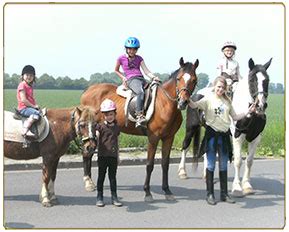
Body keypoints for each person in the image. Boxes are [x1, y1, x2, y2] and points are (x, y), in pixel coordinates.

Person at [188, 76, 255, 206]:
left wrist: (248, 111)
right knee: (211, 165)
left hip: (224, 136)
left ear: (225, 89)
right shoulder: (208, 99)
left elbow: (235, 117)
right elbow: (194, 105)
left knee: (224, 165)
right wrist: (187, 98)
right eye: (218, 87)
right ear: (215, 86)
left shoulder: (227, 101)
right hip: (212, 135)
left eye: (223, 88)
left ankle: (224, 194)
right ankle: (210, 194)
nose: (220, 89)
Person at [115, 36, 159, 128]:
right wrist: (123, 77)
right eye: (130, 49)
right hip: (131, 80)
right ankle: (139, 115)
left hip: (141, 79)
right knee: (140, 92)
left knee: (155, 90)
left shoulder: (139, 58)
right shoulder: (121, 58)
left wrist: (154, 77)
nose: (132, 51)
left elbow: (146, 71)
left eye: (134, 49)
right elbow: (116, 70)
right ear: (126, 49)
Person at [95, 99, 122, 207]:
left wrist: (118, 156)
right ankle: (99, 197)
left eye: (111, 114)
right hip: (102, 156)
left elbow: (117, 142)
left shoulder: (116, 127)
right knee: (101, 177)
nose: (109, 117)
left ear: (114, 114)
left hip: (113, 157)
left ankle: (114, 197)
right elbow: (96, 136)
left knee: (112, 177)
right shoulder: (100, 127)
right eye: (106, 115)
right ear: (103, 116)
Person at [17, 65, 41, 138]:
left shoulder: (30, 86)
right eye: (27, 75)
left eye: (31, 75)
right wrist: (34, 107)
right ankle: (25, 129)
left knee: (40, 112)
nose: (29, 77)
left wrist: (36, 106)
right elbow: (23, 100)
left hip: (28, 107)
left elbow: (31, 99)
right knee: (37, 114)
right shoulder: (22, 85)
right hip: (23, 108)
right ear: (23, 76)